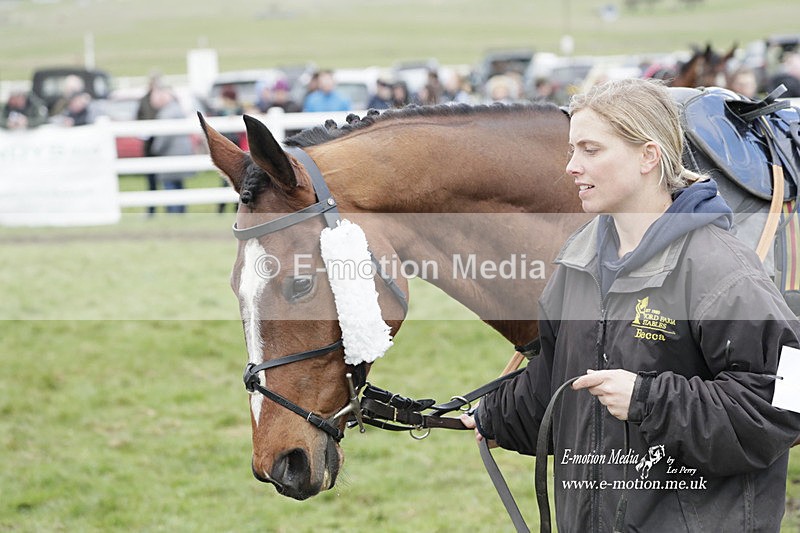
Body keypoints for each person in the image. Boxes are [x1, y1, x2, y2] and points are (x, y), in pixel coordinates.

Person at [462, 78, 800, 532]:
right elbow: (558, 381)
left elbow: (785, 402)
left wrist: (648, 399)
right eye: (571, 150)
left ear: (648, 156)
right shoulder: (579, 260)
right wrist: (494, 415)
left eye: (591, 150)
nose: (571, 167)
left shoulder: (720, 267)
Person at [148, 85, 194, 214]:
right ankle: (180, 211)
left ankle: (174, 212)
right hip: (180, 153)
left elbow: (163, 137)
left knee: (171, 186)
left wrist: (154, 149)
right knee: (178, 185)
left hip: (171, 154)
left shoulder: (167, 113)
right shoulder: (176, 108)